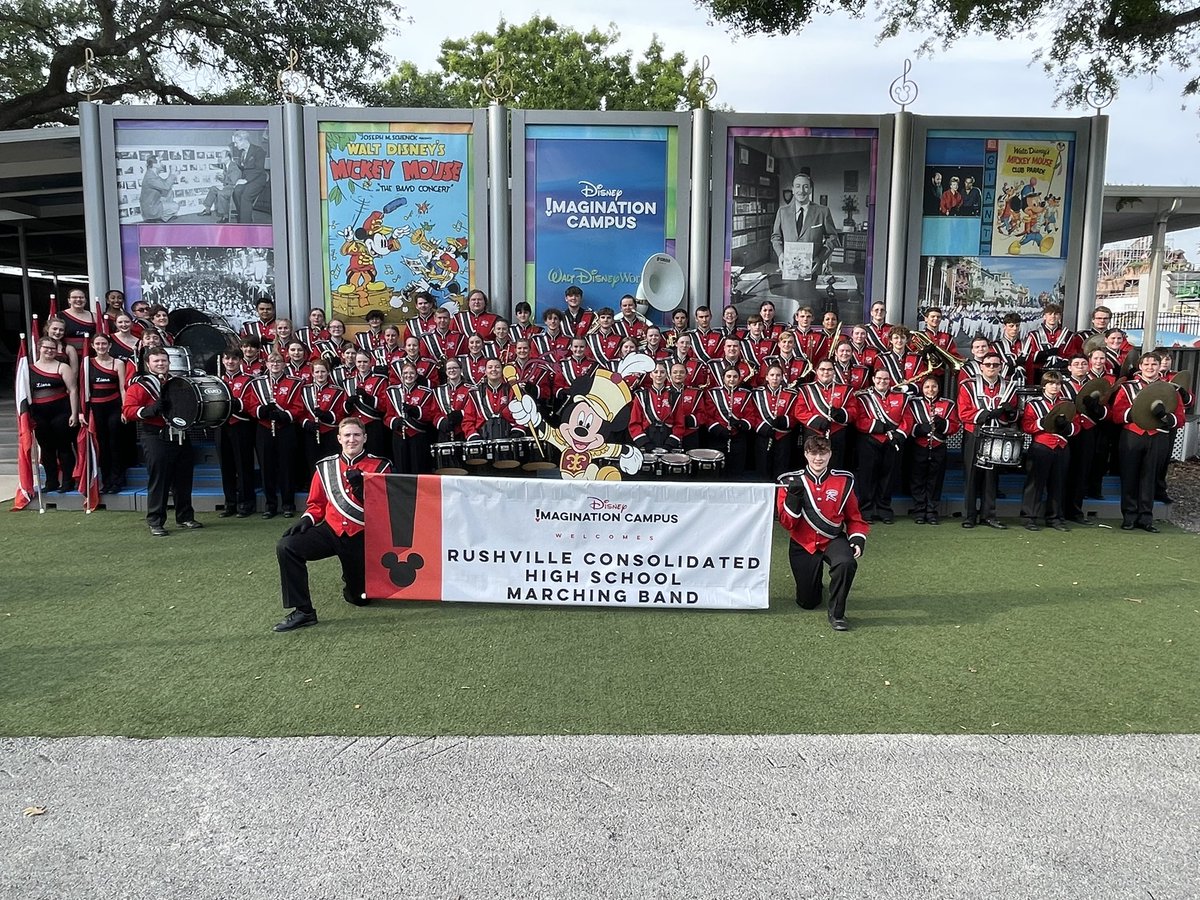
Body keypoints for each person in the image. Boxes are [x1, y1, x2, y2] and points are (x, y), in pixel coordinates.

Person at [274, 417, 392, 632]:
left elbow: (384, 509)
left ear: (365, 438)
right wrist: (306, 519)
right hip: (331, 530)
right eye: (347, 435)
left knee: (360, 598)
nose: (352, 439)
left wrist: (362, 489)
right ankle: (303, 611)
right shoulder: (325, 467)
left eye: (357, 435)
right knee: (287, 546)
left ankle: (353, 580)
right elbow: (316, 504)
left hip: (361, 536)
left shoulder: (380, 467)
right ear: (339, 438)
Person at [776, 435, 868, 632]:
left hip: (832, 539)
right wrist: (793, 497)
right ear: (806, 454)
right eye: (813, 453)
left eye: (823, 453)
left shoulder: (844, 481)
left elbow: (854, 516)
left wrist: (857, 538)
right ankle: (815, 586)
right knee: (808, 602)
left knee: (846, 562)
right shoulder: (789, 481)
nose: (818, 458)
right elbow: (787, 523)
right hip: (803, 542)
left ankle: (837, 614)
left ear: (830, 454)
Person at [122, 347, 201, 536]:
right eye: (156, 361)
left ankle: (185, 516)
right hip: (155, 435)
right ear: (148, 364)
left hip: (180, 435)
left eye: (164, 361)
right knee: (160, 480)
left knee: (184, 479)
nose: (161, 364)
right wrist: (150, 410)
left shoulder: (178, 382)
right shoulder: (140, 385)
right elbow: (128, 410)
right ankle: (155, 521)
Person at [1109, 352, 1185, 532]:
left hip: (1158, 436)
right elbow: (1117, 414)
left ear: (1160, 367)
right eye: (1146, 364)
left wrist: (1166, 418)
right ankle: (1129, 516)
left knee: (1150, 478)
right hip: (1132, 436)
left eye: (1154, 364)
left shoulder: (1170, 389)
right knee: (1129, 476)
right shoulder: (1128, 388)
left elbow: (1180, 417)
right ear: (1140, 367)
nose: (1150, 368)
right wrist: (1138, 413)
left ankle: (1146, 518)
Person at [957, 351, 1020, 529]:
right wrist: (987, 414)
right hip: (975, 433)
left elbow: (1014, 415)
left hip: (997, 436)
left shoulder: (1009, 386)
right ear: (981, 366)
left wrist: (1009, 413)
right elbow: (963, 413)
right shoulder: (967, 385)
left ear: (1001, 367)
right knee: (971, 476)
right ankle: (969, 516)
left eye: (995, 365)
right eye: (988, 364)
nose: (991, 367)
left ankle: (988, 515)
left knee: (991, 477)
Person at [851, 367, 911, 524]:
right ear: (873, 379)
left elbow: (908, 418)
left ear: (890, 381)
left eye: (885, 379)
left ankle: (884, 509)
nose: (882, 381)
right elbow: (859, 420)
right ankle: (866, 510)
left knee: (888, 476)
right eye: (879, 378)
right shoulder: (863, 398)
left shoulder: (901, 398)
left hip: (892, 442)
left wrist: (899, 434)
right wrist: (878, 426)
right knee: (867, 477)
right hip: (869, 441)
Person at [1019, 372, 1078, 532]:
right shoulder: (1034, 404)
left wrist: (1067, 427)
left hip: (1062, 447)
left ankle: (1054, 518)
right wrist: (1043, 422)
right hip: (1041, 447)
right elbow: (1027, 426)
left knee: (1058, 484)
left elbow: (1076, 426)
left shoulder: (1067, 404)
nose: (1054, 387)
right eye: (1051, 383)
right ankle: (1029, 517)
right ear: (1044, 385)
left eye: (1058, 384)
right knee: (1035, 484)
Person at [770, 170, 840, 285]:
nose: (801, 191)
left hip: (813, 270)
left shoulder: (823, 211)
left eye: (805, 187)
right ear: (793, 189)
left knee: (812, 301)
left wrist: (820, 258)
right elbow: (775, 237)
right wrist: (781, 254)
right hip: (788, 270)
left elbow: (833, 237)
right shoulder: (782, 211)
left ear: (811, 189)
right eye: (798, 186)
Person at [29, 336, 80, 493]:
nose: (50, 351)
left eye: (53, 348)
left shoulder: (63, 367)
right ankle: (51, 482)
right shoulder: (29, 369)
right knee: (46, 449)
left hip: (61, 412)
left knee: (64, 447)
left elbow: (73, 390)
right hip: (39, 414)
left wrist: (74, 413)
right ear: (39, 348)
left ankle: (67, 481)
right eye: (46, 347)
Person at [907, 374, 959, 525]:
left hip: (938, 447)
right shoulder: (914, 404)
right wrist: (918, 429)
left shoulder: (948, 404)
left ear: (939, 388)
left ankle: (931, 511)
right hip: (919, 446)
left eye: (934, 386)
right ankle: (919, 510)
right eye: (927, 387)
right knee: (917, 479)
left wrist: (944, 425)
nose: (931, 390)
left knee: (935, 480)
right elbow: (907, 423)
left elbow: (955, 426)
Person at [86, 333, 129, 494]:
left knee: (115, 443)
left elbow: (122, 388)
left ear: (109, 346)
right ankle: (106, 481)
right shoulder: (88, 364)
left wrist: (125, 409)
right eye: (97, 344)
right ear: (92, 346)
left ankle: (118, 480)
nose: (101, 347)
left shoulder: (118, 363)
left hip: (114, 406)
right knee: (102, 445)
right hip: (96, 409)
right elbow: (84, 390)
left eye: (104, 344)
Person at [217, 349, 257, 518]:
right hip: (220, 427)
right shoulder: (216, 380)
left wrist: (238, 404)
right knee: (225, 466)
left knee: (243, 465)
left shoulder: (249, 380)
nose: (230, 362)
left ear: (240, 361)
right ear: (223, 361)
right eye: (227, 358)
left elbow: (253, 403)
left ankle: (246, 503)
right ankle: (230, 503)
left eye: (234, 358)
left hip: (241, 426)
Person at [231, 129, 269, 224]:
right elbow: (245, 168)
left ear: (243, 140)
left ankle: (245, 224)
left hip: (258, 179)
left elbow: (258, 169)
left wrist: (245, 180)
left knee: (245, 196)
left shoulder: (259, 151)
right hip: (246, 179)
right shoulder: (241, 153)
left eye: (236, 143)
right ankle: (245, 217)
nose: (235, 145)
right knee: (236, 191)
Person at [199, 148, 241, 222]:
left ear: (227, 158)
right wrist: (222, 178)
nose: (219, 158)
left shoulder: (234, 167)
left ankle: (226, 216)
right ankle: (207, 210)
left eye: (221, 156)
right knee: (213, 189)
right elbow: (228, 180)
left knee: (221, 193)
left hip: (233, 189)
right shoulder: (226, 166)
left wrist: (224, 182)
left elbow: (233, 182)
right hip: (228, 187)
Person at [139, 156, 179, 222]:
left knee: (170, 192)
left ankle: (160, 218)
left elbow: (164, 184)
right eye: (160, 162)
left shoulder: (153, 174)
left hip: (153, 202)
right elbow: (166, 186)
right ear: (154, 165)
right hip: (150, 208)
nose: (162, 164)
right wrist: (172, 173)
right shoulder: (150, 177)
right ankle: (158, 219)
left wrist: (172, 174)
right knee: (175, 206)